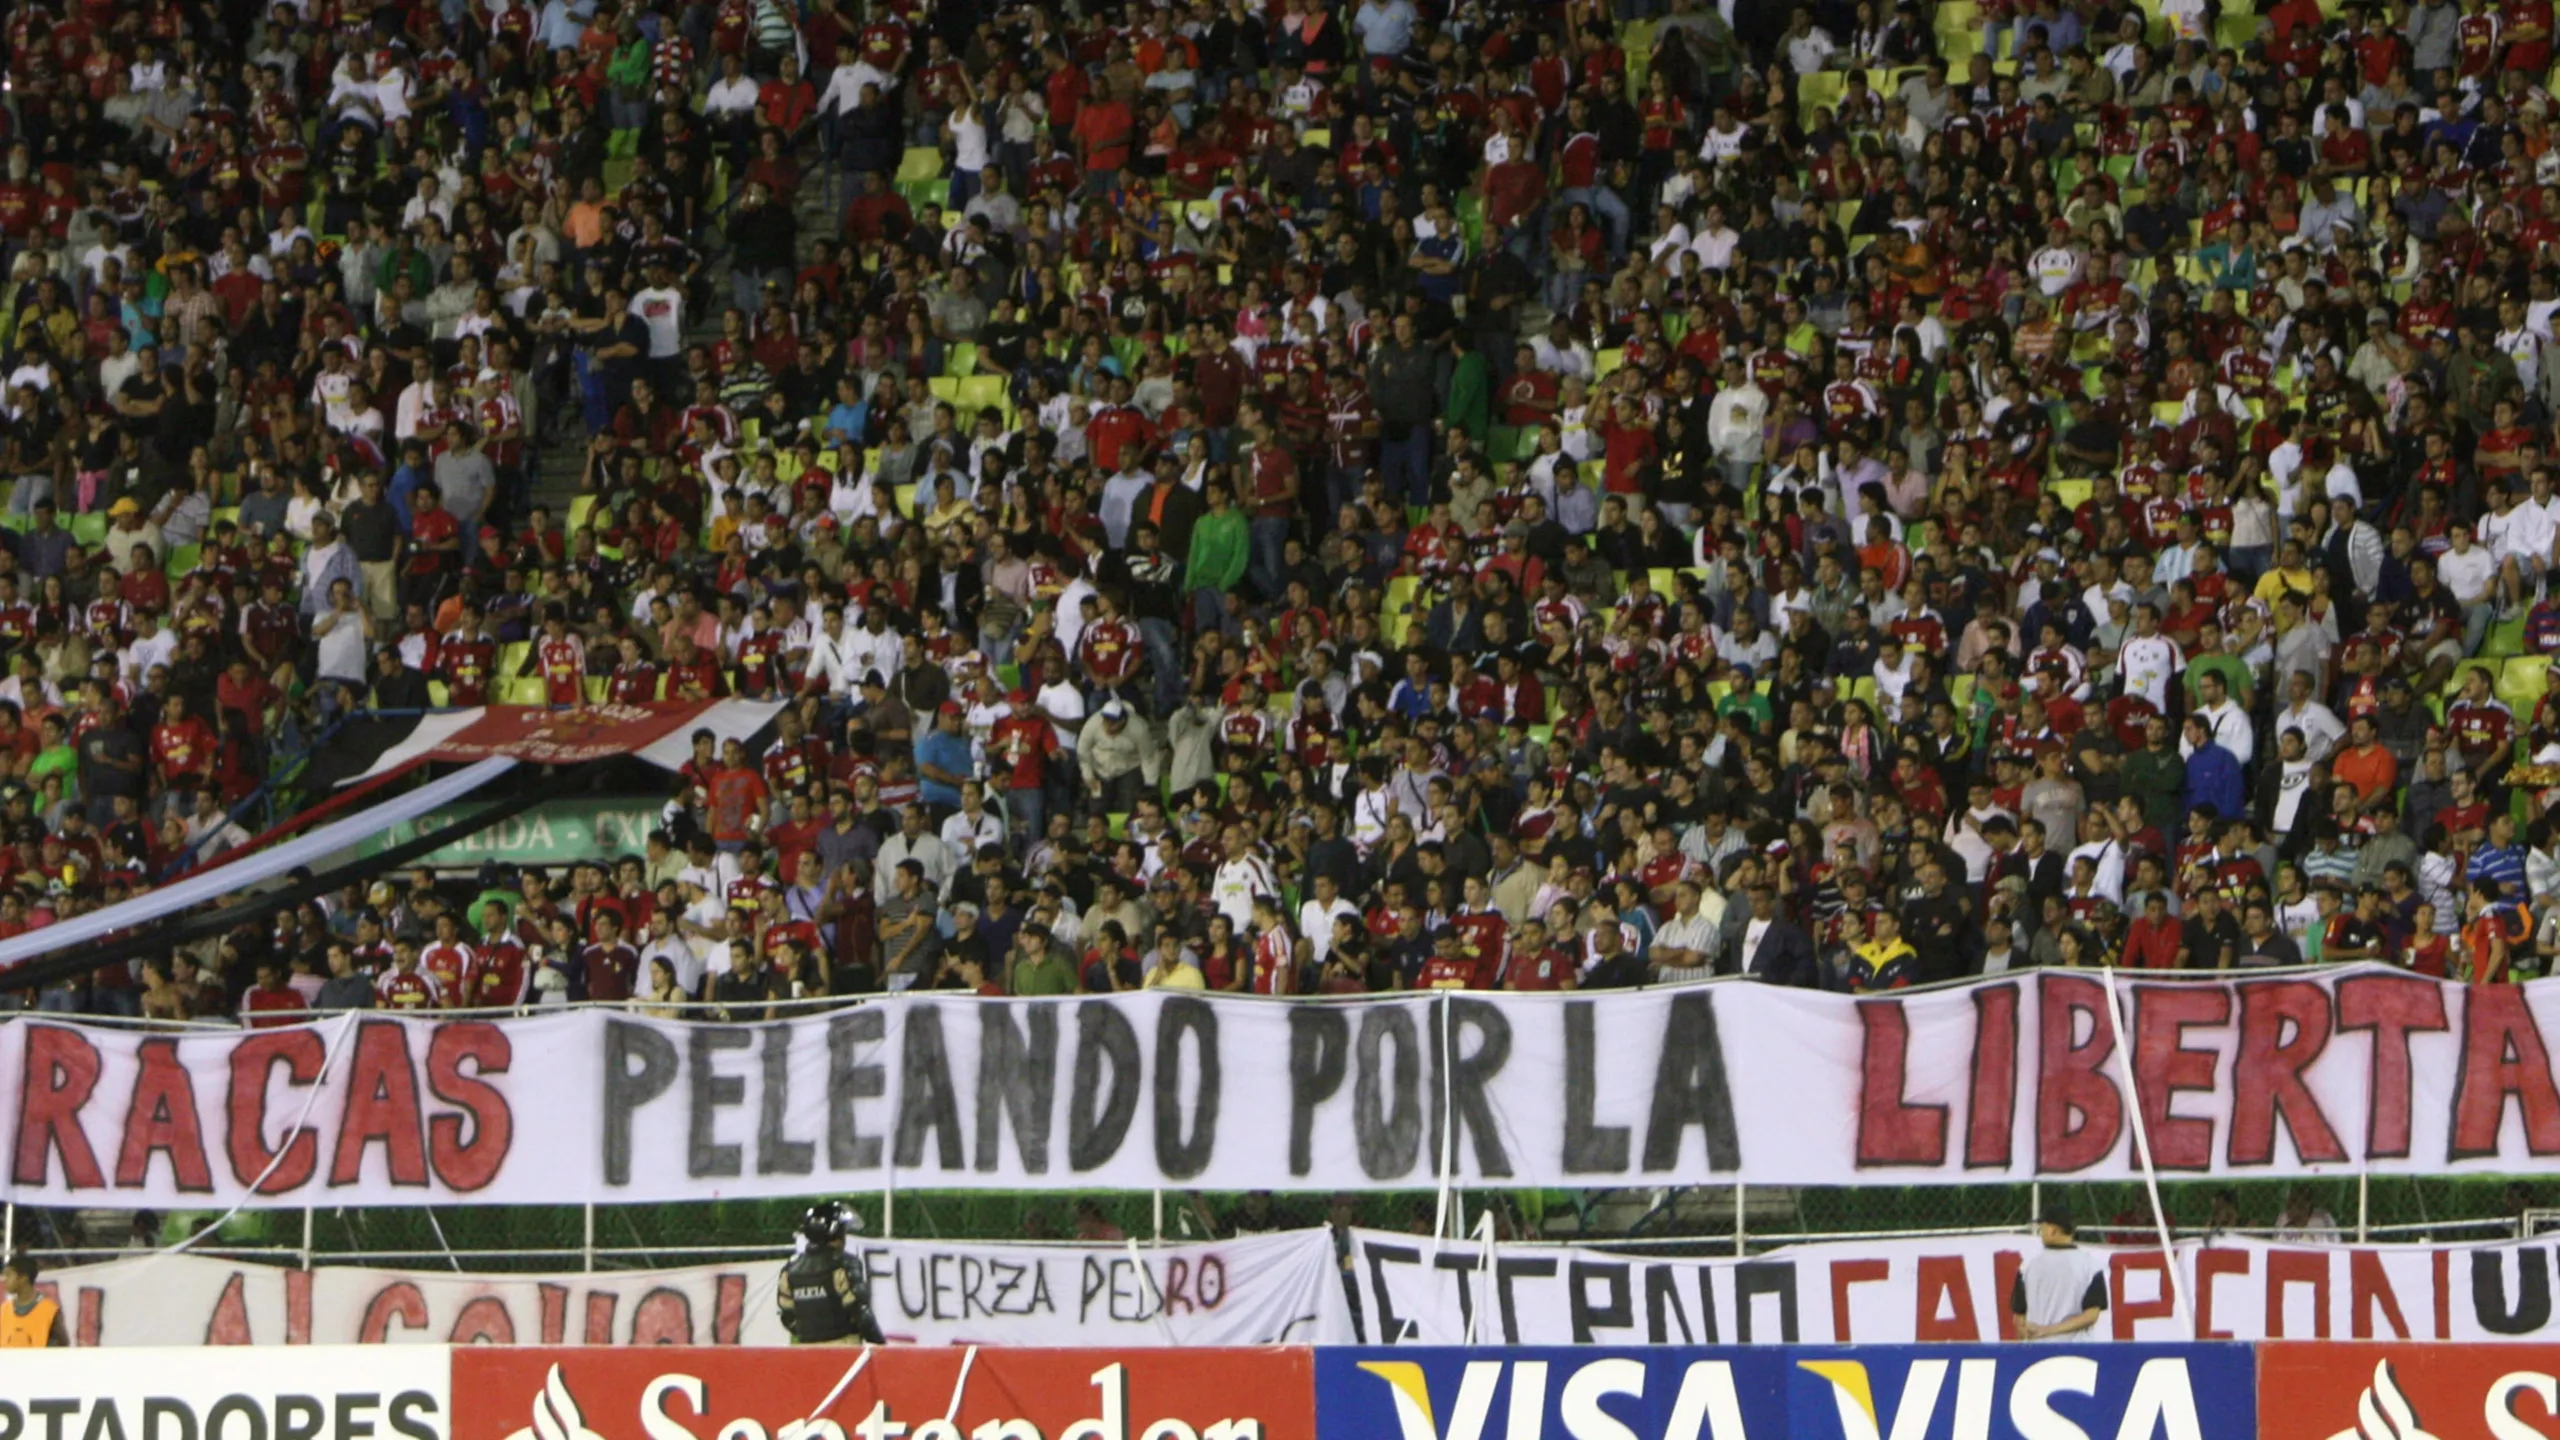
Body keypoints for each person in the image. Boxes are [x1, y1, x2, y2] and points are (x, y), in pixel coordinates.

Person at [777, 1202, 885, 1346]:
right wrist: (880, 1343)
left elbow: (787, 1316)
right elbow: (860, 1312)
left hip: (806, 1352)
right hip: (843, 1349)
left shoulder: (790, 1269)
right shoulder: (843, 1265)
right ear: (837, 1232)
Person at [2009, 1209, 2105, 1342]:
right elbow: (2091, 1316)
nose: (2040, 1234)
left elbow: (2019, 1319)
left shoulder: (2027, 1266)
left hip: (2038, 1349)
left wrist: (2040, 1332)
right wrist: (2050, 1331)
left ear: (2053, 1231)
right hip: (2078, 1350)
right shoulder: (2091, 1266)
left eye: (2041, 1229)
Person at [0, 1253, 66, 1347]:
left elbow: (61, 1347)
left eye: (9, 1274)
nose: (5, 1279)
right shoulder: (4, 1310)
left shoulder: (49, 1310)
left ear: (23, 1277)